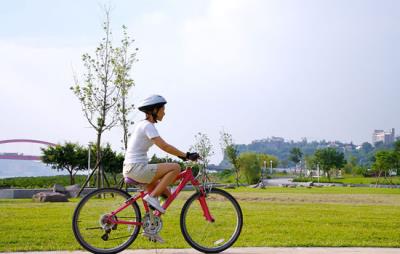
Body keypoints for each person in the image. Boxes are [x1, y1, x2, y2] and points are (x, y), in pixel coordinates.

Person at [123, 94, 199, 214]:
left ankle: (151, 227)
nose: (164, 113)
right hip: (137, 168)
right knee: (176, 167)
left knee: (167, 195)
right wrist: (186, 155)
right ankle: (152, 198)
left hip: (133, 168)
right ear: (154, 110)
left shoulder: (143, 125)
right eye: (163, 109)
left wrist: (183, 155)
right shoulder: (148, 126)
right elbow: (164, 146)